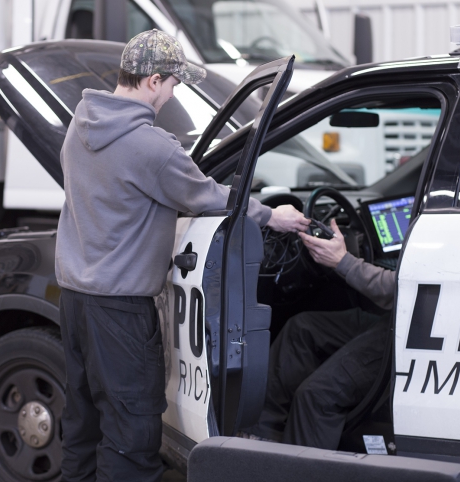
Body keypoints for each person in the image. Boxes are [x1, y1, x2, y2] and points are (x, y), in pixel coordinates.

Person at [55, 29, 309, 482]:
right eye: (173, 84)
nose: (173, 94)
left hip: (75, 303)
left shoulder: (81, 123)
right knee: (129, 440)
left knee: (82, 430)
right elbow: (213, 197)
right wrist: (274, 216)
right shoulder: (151, 147)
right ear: (153, 80)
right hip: (120, 315)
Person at [243, 218, 395, 450]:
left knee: (316, 396)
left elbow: (398, 288)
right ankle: (264, 440)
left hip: (407, 332)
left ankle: (299, 471)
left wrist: (344, 261)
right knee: (302, 329)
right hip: (395, 317)